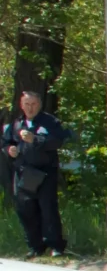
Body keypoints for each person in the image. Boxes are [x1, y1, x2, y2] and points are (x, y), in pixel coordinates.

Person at [6, 90, 70, 258]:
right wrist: (9, 149)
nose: (30, 108)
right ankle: (36, 247)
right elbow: (7, 142)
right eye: (27, 104)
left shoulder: (50, 122)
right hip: (24, 173)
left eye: (33, 104)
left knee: (48, 209)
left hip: (45, 173)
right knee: (26, 210)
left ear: (39, 104)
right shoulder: (17, 124)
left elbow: (58, 141)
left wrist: (35, 139)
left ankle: (56, 246)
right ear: (21, 105)